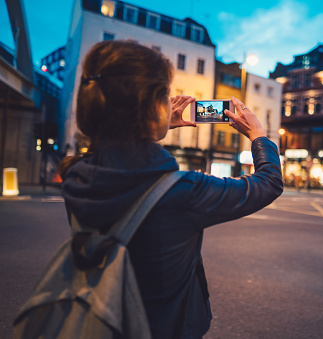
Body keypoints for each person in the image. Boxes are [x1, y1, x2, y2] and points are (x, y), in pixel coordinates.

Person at [58, 40, 283, 338]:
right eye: (165, 97)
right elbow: (268, 183)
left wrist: (152, 130)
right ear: (153, 106)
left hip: (100, 320)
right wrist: (258, 135)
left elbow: (124, 161)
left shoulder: (76, 174)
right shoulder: (182, 191)